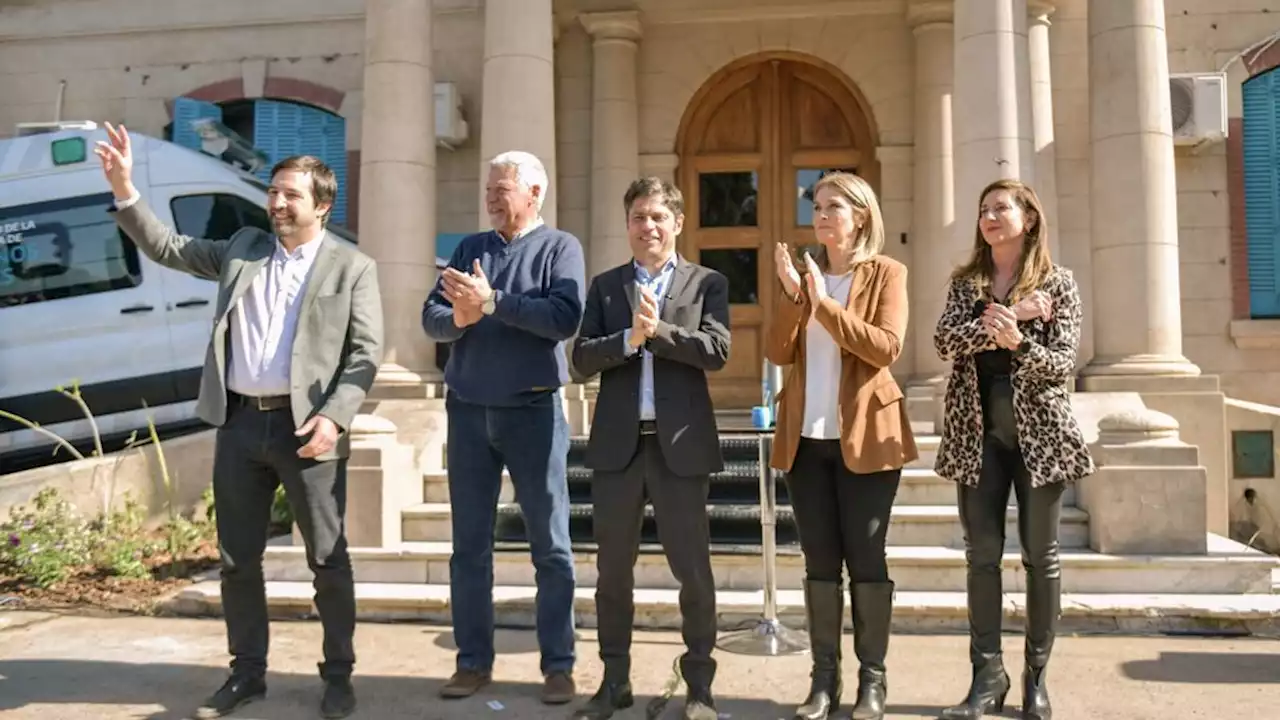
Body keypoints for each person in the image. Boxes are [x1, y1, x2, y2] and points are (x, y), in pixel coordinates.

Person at [96, 124, 382, 720]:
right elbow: (169, 248)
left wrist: (334, 418)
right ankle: (247, 674)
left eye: (290, 195)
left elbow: (364, 356)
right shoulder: (243, 248)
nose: (277, 203)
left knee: (327, 560)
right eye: (274, 191)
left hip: (309, 432)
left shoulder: (351, 267)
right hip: (240, 426)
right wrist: (125, 190)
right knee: (236, 560)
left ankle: (339, 676)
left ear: (321, 206)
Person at [421, 150, 586, 705]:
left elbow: (563, 319)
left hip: (533, 412)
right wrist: (461, 317)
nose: (491, 197)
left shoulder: (560, 248)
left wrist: (494, 303)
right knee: (469, 547)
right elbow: (431, 317)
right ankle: (472, 662)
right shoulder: (470, 249)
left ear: (535, 193)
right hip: (468, 412)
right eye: (489, 188)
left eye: (503, 188)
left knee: (551, 547)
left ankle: (558, 665)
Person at [933, 179, 1095, 720]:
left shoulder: (1060, 283)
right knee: (981, 557)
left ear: (1028, 218)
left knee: (1040, 558)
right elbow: (943, 342)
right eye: (983, 209)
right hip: (977, 438)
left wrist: (1020, 340)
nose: (989, 216)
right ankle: (986, 677)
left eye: (1000, 207)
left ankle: (1036, 678)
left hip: (1040, 438)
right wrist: (1013, 318)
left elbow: (1063, 362)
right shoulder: (966, 283)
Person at [569, 177, 730, 720]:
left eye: (659, 216)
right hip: (619, 447)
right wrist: (627, 341)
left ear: (678, 223)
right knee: (613, 573)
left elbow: (716, 350)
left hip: (679, 449)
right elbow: (580, 358)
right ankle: (614, 681)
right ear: (628, 224)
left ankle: (700, 686)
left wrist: (658, 332)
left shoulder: (706, 283)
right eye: (639, 216)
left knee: (694, 571)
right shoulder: (606, 286)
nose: (649, 226)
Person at [765, 171, 916, 720]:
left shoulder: (886, 273)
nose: (822, 214)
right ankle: (823, 682)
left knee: (867, 560)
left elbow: (884, 348)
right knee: (819, 562)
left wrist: (821, 304)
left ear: (862, 216)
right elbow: (780, 352)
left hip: (869, 439)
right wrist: (792, 295)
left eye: (835, 206)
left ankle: (872, 682)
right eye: (818, 205)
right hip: (806, 440)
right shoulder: (804, 276)